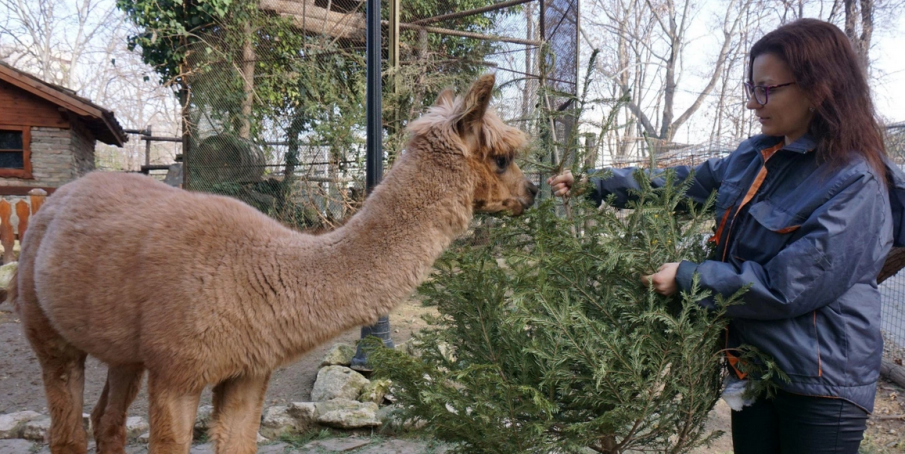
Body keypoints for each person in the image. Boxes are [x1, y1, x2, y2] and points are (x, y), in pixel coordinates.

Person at [548, 18, 905, 454]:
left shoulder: (854, 180)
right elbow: (682, 183)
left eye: (768, 89)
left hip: (820, 383)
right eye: (750, 88)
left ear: (820, 87)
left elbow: (789, 285)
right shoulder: (755, 156)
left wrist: (689, 278)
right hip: (755, 367)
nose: (755, 103)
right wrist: (596, 184)